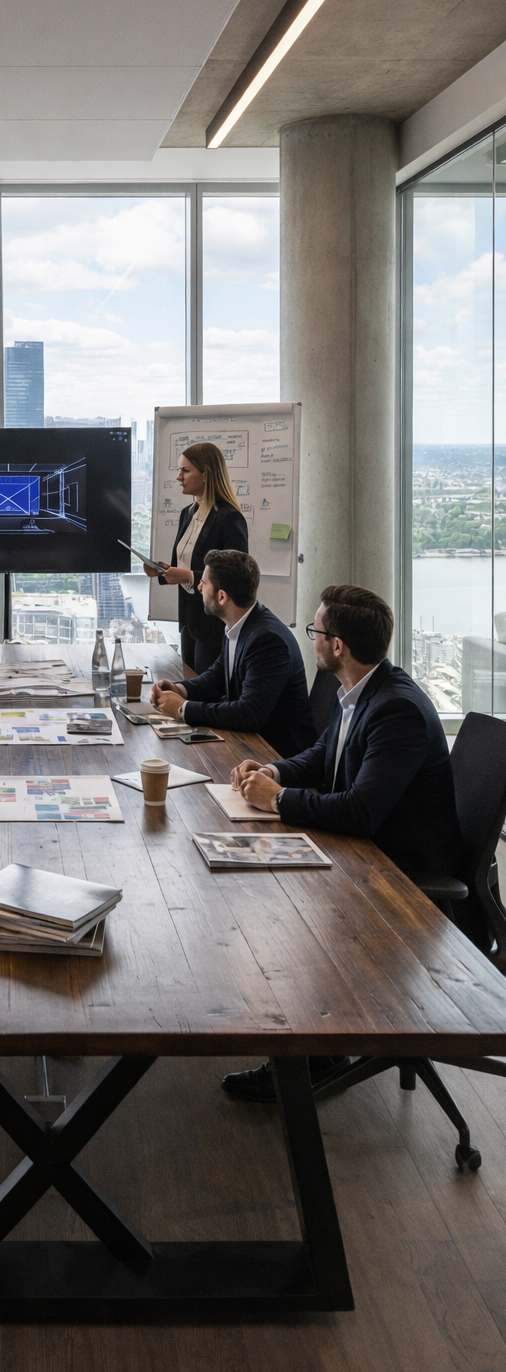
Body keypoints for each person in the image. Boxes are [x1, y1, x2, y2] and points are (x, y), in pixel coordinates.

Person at [222, 583, 467, 1104]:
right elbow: (321, 754)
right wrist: (274, 771)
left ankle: (302, 1059)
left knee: (275, 912)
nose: (310, 637)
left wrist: (279, 800)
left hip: (396, 874)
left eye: (316, 630)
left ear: (338, 646)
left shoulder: (395, 709)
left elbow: (359, 810)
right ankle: (317, 1046)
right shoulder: (362, 689)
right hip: (368, 851)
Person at [149, 549, 314, 759]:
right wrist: (180, 689)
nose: (199, 586)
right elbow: (216, 677)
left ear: (221, 596)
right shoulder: (239, 624)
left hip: (277, 757)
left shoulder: (267, 640)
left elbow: (248, 714)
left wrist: (183, 709)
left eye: (204, 583)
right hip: (249, 746)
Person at [142, 441, 248, 676]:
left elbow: (237, 576)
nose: (179, 477)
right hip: (189, 622)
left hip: (214, 625)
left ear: (206, 474)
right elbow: (186, 565)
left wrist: (189, 576)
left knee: (205, 692)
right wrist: (163, 571)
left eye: (185, 470)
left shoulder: (229, 518)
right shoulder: (187, 514)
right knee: (189, 685)